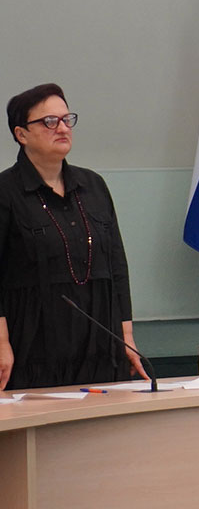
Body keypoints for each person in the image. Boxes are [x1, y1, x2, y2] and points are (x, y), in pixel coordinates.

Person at [0, 85, 142, 390]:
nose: (63, 128)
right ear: (21, 134)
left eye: (67, 119)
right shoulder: (6, 192)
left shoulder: (93, 185)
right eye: (49, 121)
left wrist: (127, 337)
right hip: (33, 346)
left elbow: (117, 266)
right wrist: (1, 343)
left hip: (100, 343)